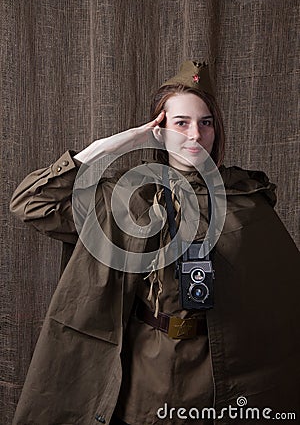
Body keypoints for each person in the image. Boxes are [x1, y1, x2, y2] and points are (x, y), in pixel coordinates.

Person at [10, 61, 300, 425]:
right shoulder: (128, 199)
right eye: (181, 123)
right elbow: (32, 204)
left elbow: (282, 293)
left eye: (205, 122)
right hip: (154, 370)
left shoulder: (246, 197)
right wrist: (112, 146)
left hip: (231, 372)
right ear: (158, 130)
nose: (195, 134)